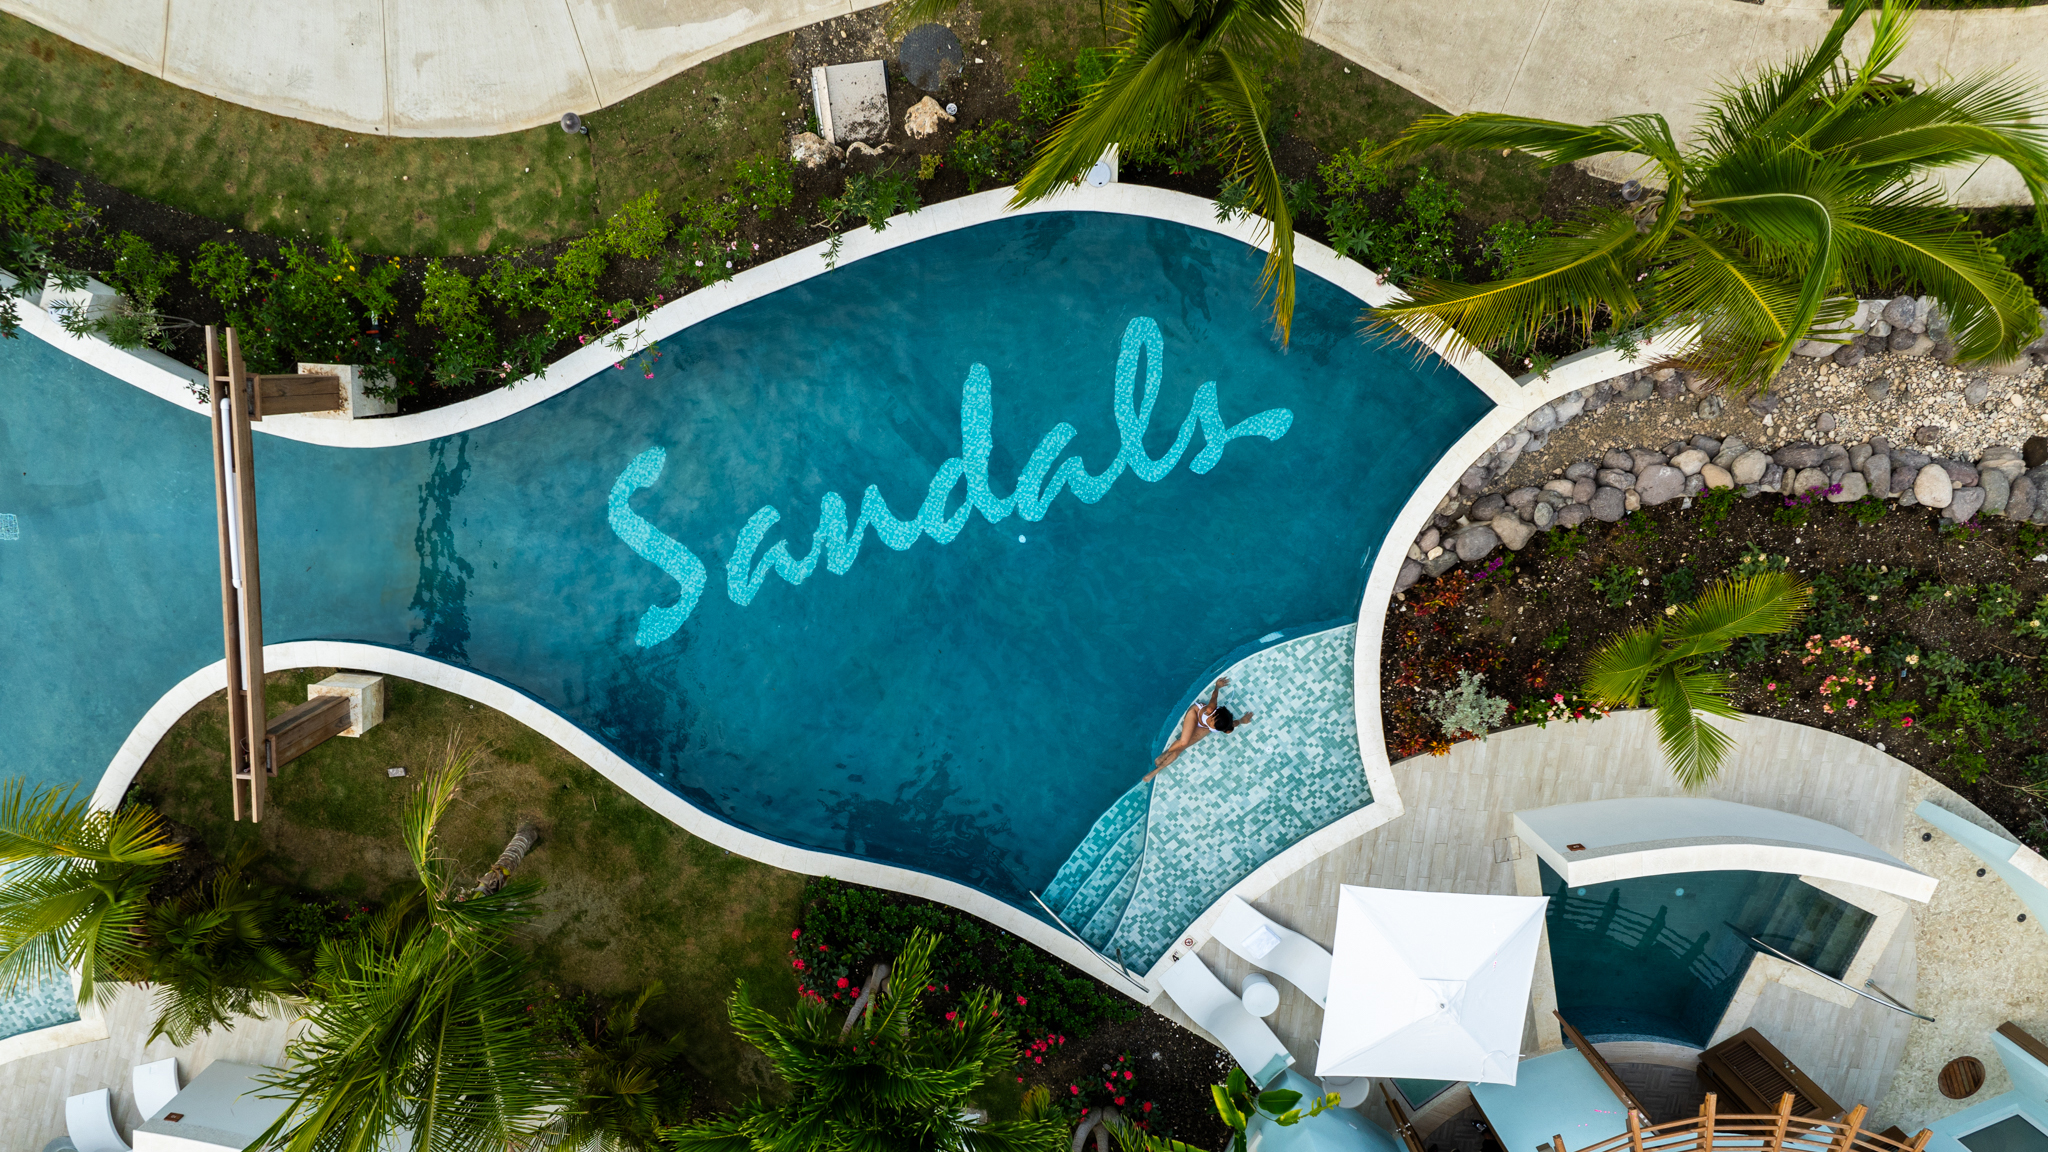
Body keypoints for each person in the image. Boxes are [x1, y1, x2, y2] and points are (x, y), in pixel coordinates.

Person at [1145, 677, 1254, 780]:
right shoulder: (1211, 708)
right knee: (1183, 742)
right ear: (1213, 716)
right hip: (1196, 714)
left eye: (1215, 728)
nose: (1212, 728)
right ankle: (1165, 753)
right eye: (1212, 724)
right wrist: (1217, 686)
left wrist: (1242, 721)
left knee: (1182, 748)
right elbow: (1215, 696)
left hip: (1203, 726)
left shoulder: (1224, 726)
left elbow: (1234, 723)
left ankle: (1158, 770)